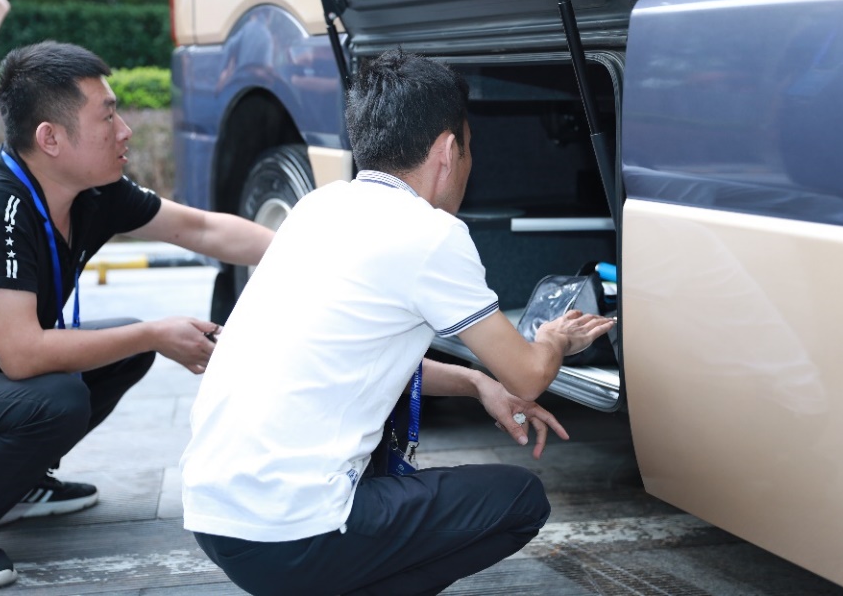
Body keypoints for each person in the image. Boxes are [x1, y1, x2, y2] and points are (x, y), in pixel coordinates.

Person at [180, 49, 615, 596]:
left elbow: (356, 357)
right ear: (449, 150)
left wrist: (477, 382)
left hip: (216, 518)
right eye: (471, 148)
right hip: (292, 535)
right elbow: (529, 375)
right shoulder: (430, 233)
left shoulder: (318, 208)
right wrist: (553, 337)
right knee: (520, 501)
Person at [0, 41, 274, 590]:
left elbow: (202, 230)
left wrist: (313, 254)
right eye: (107, 115)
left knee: (121, 353)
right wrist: (152, 331)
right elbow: (20, 354)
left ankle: (15, 484)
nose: (126, 129)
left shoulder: (93, 193)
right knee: (58, 398)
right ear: (50, 138)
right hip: (4, 369)